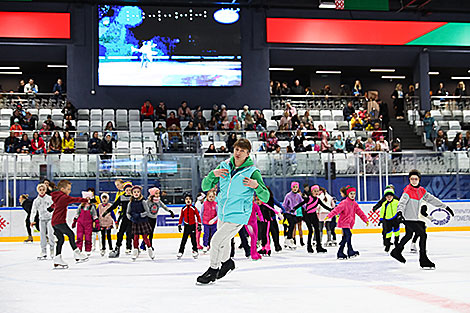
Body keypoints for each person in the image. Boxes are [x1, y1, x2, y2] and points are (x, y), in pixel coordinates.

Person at [196, 139, 269, 284]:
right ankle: (227, 262)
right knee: (224, 243)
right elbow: (205, 187)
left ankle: (213, 270)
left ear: (248, 154)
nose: (238, 153)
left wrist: (256, 186)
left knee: (216, 241)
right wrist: (212, 174)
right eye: (237, 149)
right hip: (223, 212)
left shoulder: (252, 172)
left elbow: (265, 197)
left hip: (239, 215)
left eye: (242, 150)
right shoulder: (224, 167)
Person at [390, 169, 454, 269]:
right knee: (423, 234)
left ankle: (397, 251)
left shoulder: (421, 191)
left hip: (415, 218)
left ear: (419, 180)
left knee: (409, 235)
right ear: (409, 180)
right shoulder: (407, 191)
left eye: (416, 179)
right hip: (408, 218)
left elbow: (431, 199)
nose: (414, 181)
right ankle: (423, 259)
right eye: (412, 179)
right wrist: (399, 213)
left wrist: (445, 207)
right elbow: (401, 203)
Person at [50, 180, 89, 268]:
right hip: (60, 221)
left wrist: (51, 207)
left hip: (54, 222)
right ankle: (77, 253)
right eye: (68, 189)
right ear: (62, 189)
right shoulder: (64, 197)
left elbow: (54, 204)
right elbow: (74, 199)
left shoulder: (58, 197)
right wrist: (85, 199)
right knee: (70, 234)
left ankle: (57, 258)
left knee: (61, 239)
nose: (69, 191)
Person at [325, 186, 369, 259]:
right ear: (348, 194)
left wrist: (365, 220)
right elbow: (336, 210)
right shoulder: (344, 203)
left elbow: (360, 212)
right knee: (348, 235)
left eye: (354, 194)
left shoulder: (354, 204)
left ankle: (340, 252)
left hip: (349, 223)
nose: (352, 195)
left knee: (345, 238)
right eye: (351, 193)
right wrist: (329, 216)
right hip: (344, 222)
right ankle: (350, 251)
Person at [293, 185, 332, 253]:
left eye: (317, 191)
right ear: (312, 192)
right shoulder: (308, 198)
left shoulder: (318, 200)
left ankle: (319, 247)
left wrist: (331, 209)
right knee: (310, 231)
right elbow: (301, 204)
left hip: (314, 215)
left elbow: (324, 206)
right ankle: (309, 246)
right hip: (307, 216)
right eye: (315, 191)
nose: (316, 192)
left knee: (317, 230)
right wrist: (293, 209)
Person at [103, 181, 133, 258]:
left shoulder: (134, 198)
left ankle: (129, 247)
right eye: (127, 190)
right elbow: (114, 206)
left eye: (130, 190)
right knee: (120, 233)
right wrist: (107, 211)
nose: (128, 191)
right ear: (125, 190)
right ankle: (117, 247)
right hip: (124, 217)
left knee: (130, 233)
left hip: (132, 218)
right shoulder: (121, 197)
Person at [127, 185, 155, 260]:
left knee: (145, 237)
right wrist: (131, 218)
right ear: (132, 193)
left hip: (143, 222)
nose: (136, 193)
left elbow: (148, 211)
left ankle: (150, 251)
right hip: (135, 222)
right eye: (135, 192)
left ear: (140, 193)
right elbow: (128, 212)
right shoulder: (131, 202)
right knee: (135, 238)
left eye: (138, 192)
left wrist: (140, 215)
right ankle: (135, 252)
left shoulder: (143, 201)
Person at [30, 184, 55, 260]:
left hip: (50, 219)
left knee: (50, 234)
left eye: (43, 190)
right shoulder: (36, 201)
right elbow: (33, 211)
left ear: (45, 190)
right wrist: (32, 220)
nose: (41, 191)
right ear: (38, 190)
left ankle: (52, 251)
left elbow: (54, 208)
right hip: (42, 219)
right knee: (42, 236)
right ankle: (43, 252)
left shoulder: (50, 198)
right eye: (40, 190)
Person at [177, 193, 202, 259]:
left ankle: (195, 250)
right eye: (186, 199)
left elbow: (198, 216)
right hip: (186, 226)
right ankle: (180, 251)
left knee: (193, 240)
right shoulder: (183, 208)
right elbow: (181, 217)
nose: (188, 200)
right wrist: (179, 225)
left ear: (191, 200)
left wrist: (199, 224)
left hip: (192, 225)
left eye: (189, 199)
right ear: (185, 200)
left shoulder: (193, 208)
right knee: (184, 240)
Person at [282, 182, 304, 250]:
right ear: (291, 187)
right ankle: (289, 239)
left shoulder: (298, 195)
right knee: (291, 225)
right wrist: (281, 212)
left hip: (294, 213)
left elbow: (302, 202)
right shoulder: (288, 195)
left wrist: (307, 208)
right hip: (287, 212)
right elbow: (284, 204)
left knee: (292, 225)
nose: (295, 188)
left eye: (296, 187)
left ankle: (287, 239)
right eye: (294, 187)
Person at [378, 188, 401, 252]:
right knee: (388, 233)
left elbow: (400, 208)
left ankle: (396, 243)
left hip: (395, 219)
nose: (389, 197)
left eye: (390, 196)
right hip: (388, 220)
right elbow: (382, 212)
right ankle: (387, 245)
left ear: (393, 196)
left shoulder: (396, 202)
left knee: (397, 232)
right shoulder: (384, 203)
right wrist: (381, 219)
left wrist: (400, 216)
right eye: (387, 196)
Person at [96, 193, 116, 257]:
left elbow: (112, 214)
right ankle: (103, 248)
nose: (104, 200)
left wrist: (115, 221)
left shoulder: (110, 206)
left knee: (109, 236)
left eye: (105, 198)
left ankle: (110, 248)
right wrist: (95, 221)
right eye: (103, 198)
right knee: (103, 236)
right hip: (101, 223)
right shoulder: (99, 206)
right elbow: (96, 214)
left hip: (108, 223)